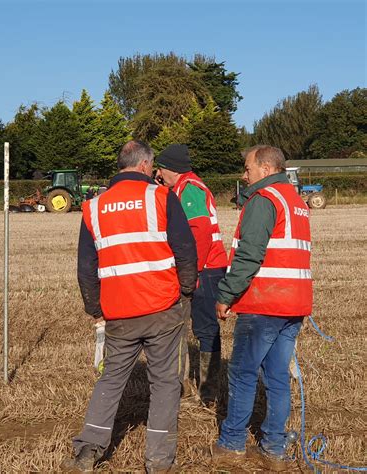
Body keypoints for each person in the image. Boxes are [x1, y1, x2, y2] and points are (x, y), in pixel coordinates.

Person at [64, 140, 198, 473]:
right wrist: (184, 289)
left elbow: (86, 266)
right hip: (162, 306)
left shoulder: (94, 207)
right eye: (152, 167)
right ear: (143, 165)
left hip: (119, 310)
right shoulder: (162, 197)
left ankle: (87, 452)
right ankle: (158, 460)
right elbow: (185, 250)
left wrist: (96, 307)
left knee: (111, 379)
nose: (154, 172)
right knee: (165, 383)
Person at [212, 145, 312, 471]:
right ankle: (274, 448)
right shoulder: (295, 202)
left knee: (242, 374)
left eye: (247, 168)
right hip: (293, 304)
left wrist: (226, 294)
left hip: (264, 304)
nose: (245, 175)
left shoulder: (263, 200)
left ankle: (231, 445)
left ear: (266, 169)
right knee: (277, 378)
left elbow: (249, 255)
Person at [155, 144, 227, 403]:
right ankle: (194, 387)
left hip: (206, 270)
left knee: (206, 329)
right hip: (203, 268)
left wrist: (191, 272)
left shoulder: (190, 190)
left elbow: (200, 234)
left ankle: (209, 392)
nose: (159, 174)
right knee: (193, 328)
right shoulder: (183, 188)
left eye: (161, 169)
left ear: (170, 168)